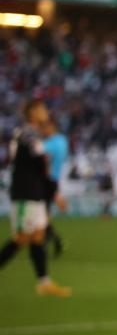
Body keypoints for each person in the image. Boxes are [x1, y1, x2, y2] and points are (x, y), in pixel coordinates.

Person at [0, 99, 72, 297]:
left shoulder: (33, 135)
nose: (46, 112)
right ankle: (44, 282)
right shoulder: (26, 133)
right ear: (33, 113)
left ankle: (44, 282)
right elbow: (39, 160)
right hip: (26, 191)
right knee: (22, 238)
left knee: (39, 235)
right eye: (42, 109)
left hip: (36, 190)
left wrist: (54, 193)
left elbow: (42, 165)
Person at [41, 111, 69, 257]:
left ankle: (50, 242)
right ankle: (52, 242)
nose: (43, 130)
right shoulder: (63, 141)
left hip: (46, 181)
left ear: (51, 127)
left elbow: (44, 160)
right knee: (44, 214)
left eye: (44, 127)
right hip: (54, 181)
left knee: (42, 214)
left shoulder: (49, 144)